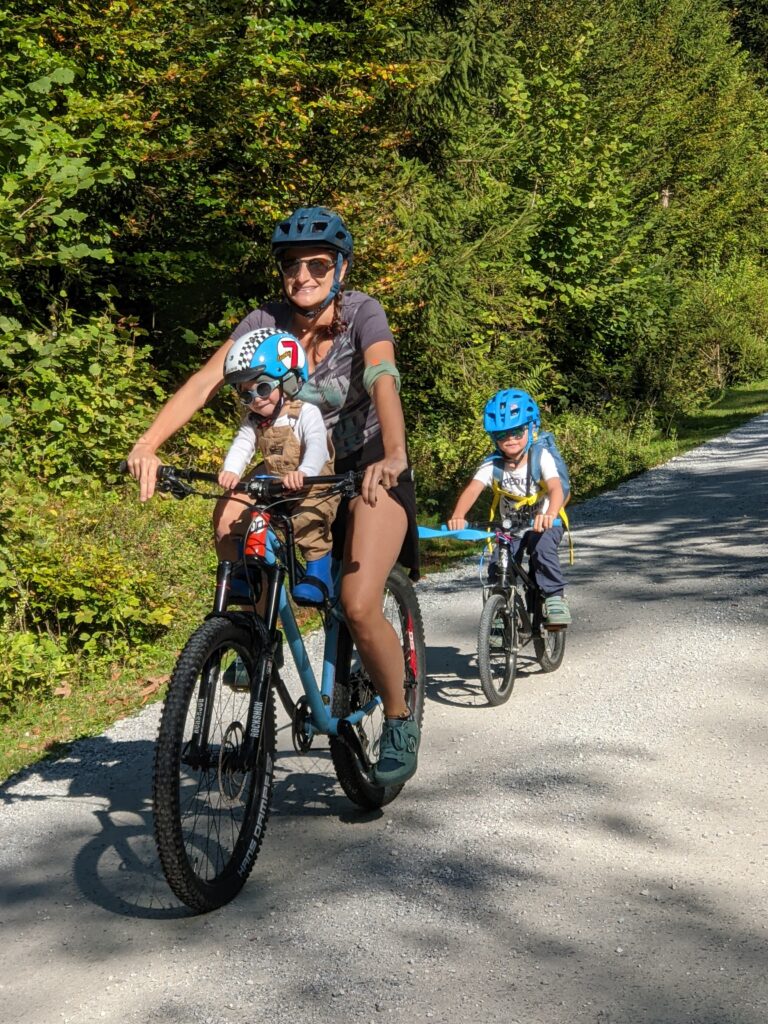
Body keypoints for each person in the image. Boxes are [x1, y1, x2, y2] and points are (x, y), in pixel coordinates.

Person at [126, 205, 420, 785]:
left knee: (360, 606)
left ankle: (398, 714)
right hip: (291, 469)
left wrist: (393, 451)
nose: (303, 276)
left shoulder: (362, 312)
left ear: (340, 266)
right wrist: (148, 443)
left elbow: (382, 376)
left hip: (364, 467)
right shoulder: (265, 319)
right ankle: (255, 640)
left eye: (317, 263)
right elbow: (207, 380)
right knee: (228, 518)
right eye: (292, 265)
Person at [216, 326, 340, 606]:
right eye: (245, 395)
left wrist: (305, 472)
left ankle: (319, 576)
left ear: (287, 381)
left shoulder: (305, 413)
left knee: (308, 520)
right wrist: (232, 470)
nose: (255, 400)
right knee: (246, 521)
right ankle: (247, 576)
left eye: (261, 388)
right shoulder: (254, 422)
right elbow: (242, 446)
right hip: (278, 487)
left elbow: (318, 446)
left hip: (315, 486)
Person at [447, 388, 571, 626]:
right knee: (498, 565)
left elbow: (556, 488)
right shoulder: (492, 464)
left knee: (542, 551)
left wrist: (550, 514)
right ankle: (501, 615)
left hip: (544, 522)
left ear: (531, 429)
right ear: (494, 437)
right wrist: (458, 515)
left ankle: (554, 598)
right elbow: (473, 489)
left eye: (517, 431)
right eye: (503, 434)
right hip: (510, 527)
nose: (510, 439)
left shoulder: (540, 456)